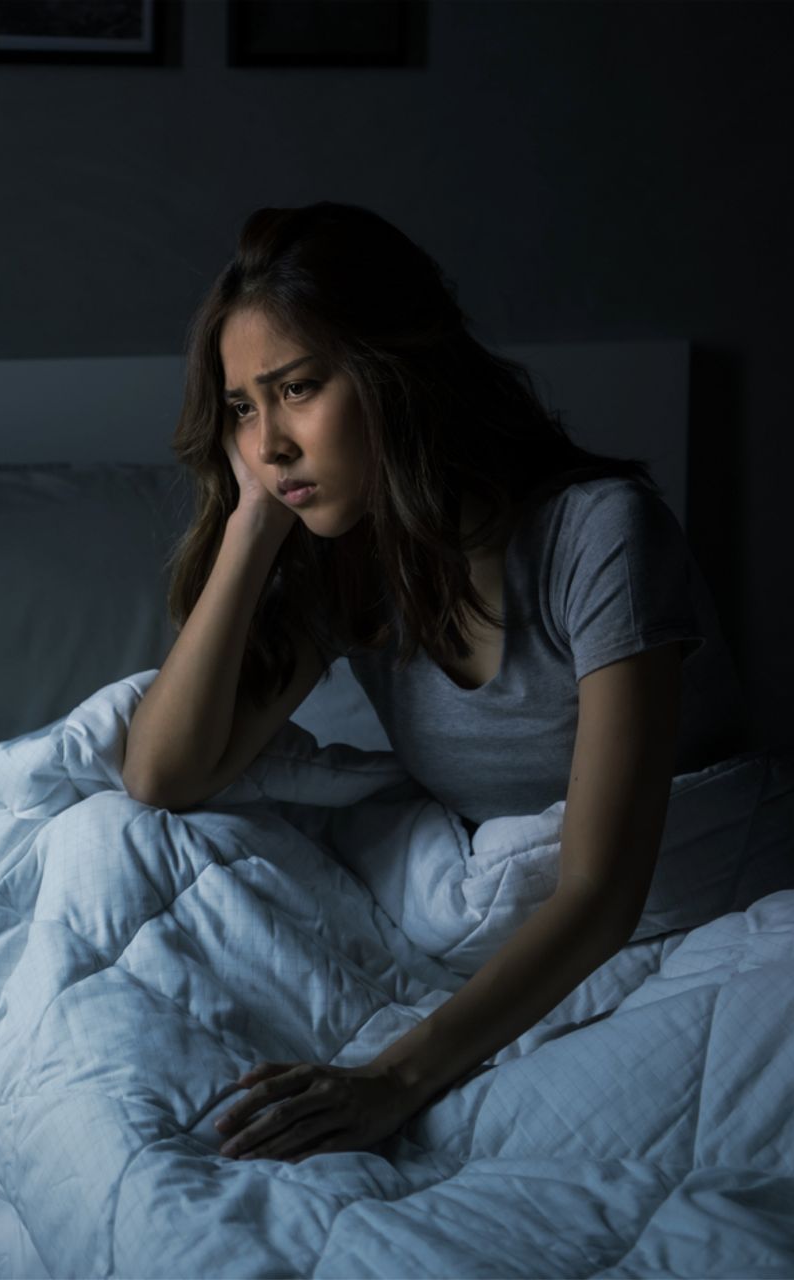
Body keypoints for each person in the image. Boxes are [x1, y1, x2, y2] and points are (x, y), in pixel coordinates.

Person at [120, 202, 750, 1164]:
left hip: (709, 903)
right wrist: (254, 519)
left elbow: (602, 890)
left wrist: (394, 1080)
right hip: (523, 939)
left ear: (396, 374)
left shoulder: (602, 536)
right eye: (243, 409)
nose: (270, 440)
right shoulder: (347, 562)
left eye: (296, 389)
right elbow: (164, 775)